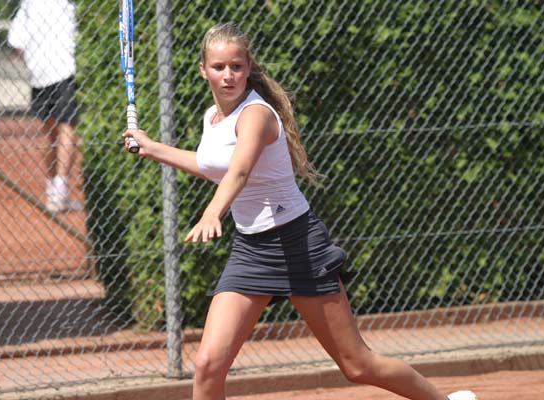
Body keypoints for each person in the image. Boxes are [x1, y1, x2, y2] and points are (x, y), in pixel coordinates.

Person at [123, 23, 477, 400]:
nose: (228, 76)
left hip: (298, 245)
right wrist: (153, 148)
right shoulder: (212, 116)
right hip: (251, 251)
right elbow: (211, 165)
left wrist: (213, 212)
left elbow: (239, 170)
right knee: (209, 365)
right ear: (203, 70)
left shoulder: (256, 115)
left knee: (357, 365)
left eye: (237, 67)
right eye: (219, 67)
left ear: (248, 68)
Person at [8, 0, 81, 213]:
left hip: (39, 74)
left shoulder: (28, 4)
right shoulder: (68, 3)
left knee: (50, 133)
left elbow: (16, 42)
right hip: (66, 70)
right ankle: (60, 192)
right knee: (67, 128)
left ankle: (53, 191)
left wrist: (35, 60)